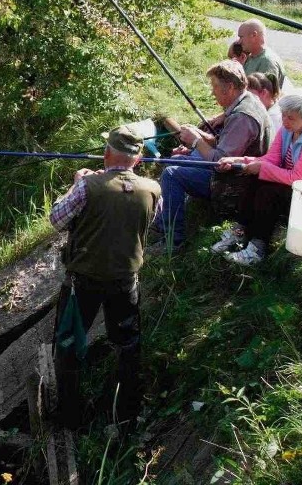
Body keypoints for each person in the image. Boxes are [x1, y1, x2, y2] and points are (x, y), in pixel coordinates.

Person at [49, 125, 161, 429]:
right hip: (126, 281)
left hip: (82, 283)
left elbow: (57, 220)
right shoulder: (153, 189)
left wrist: (75, 184)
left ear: (106, 153)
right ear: (137, 160)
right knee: (127, 345)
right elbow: (153, 219)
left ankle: (70, 416)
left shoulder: (87, 187)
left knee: (68, 344)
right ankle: (126, 414)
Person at [150, 60, 272, 254]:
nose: (212, 92)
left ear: (230, 87)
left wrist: (197, 142)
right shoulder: (248, 100)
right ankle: (162, 221)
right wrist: (204, 137)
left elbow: (219, 162)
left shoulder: (242, 117)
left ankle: (173, 241)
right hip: (234, 175)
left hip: (235, 187)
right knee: (175, 161)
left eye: (215, 86)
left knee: (172, 174)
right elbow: (229, 145)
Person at [211, 90, 302, 265]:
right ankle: (239, 232)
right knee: (252, 178)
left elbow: (299, 178)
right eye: (283, 116)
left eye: (291, 118)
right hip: (289, 184)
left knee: (269, 191)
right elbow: (271, 159)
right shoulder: (287, 130)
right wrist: (240, 161)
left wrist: (262, 168)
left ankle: (258, 247)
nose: (285, 121)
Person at [236, 18, 287, 89]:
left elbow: (265, 95)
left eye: (241, 37)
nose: (239, 42)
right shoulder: (251, 57)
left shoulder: (267, 62)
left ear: (254, 35)